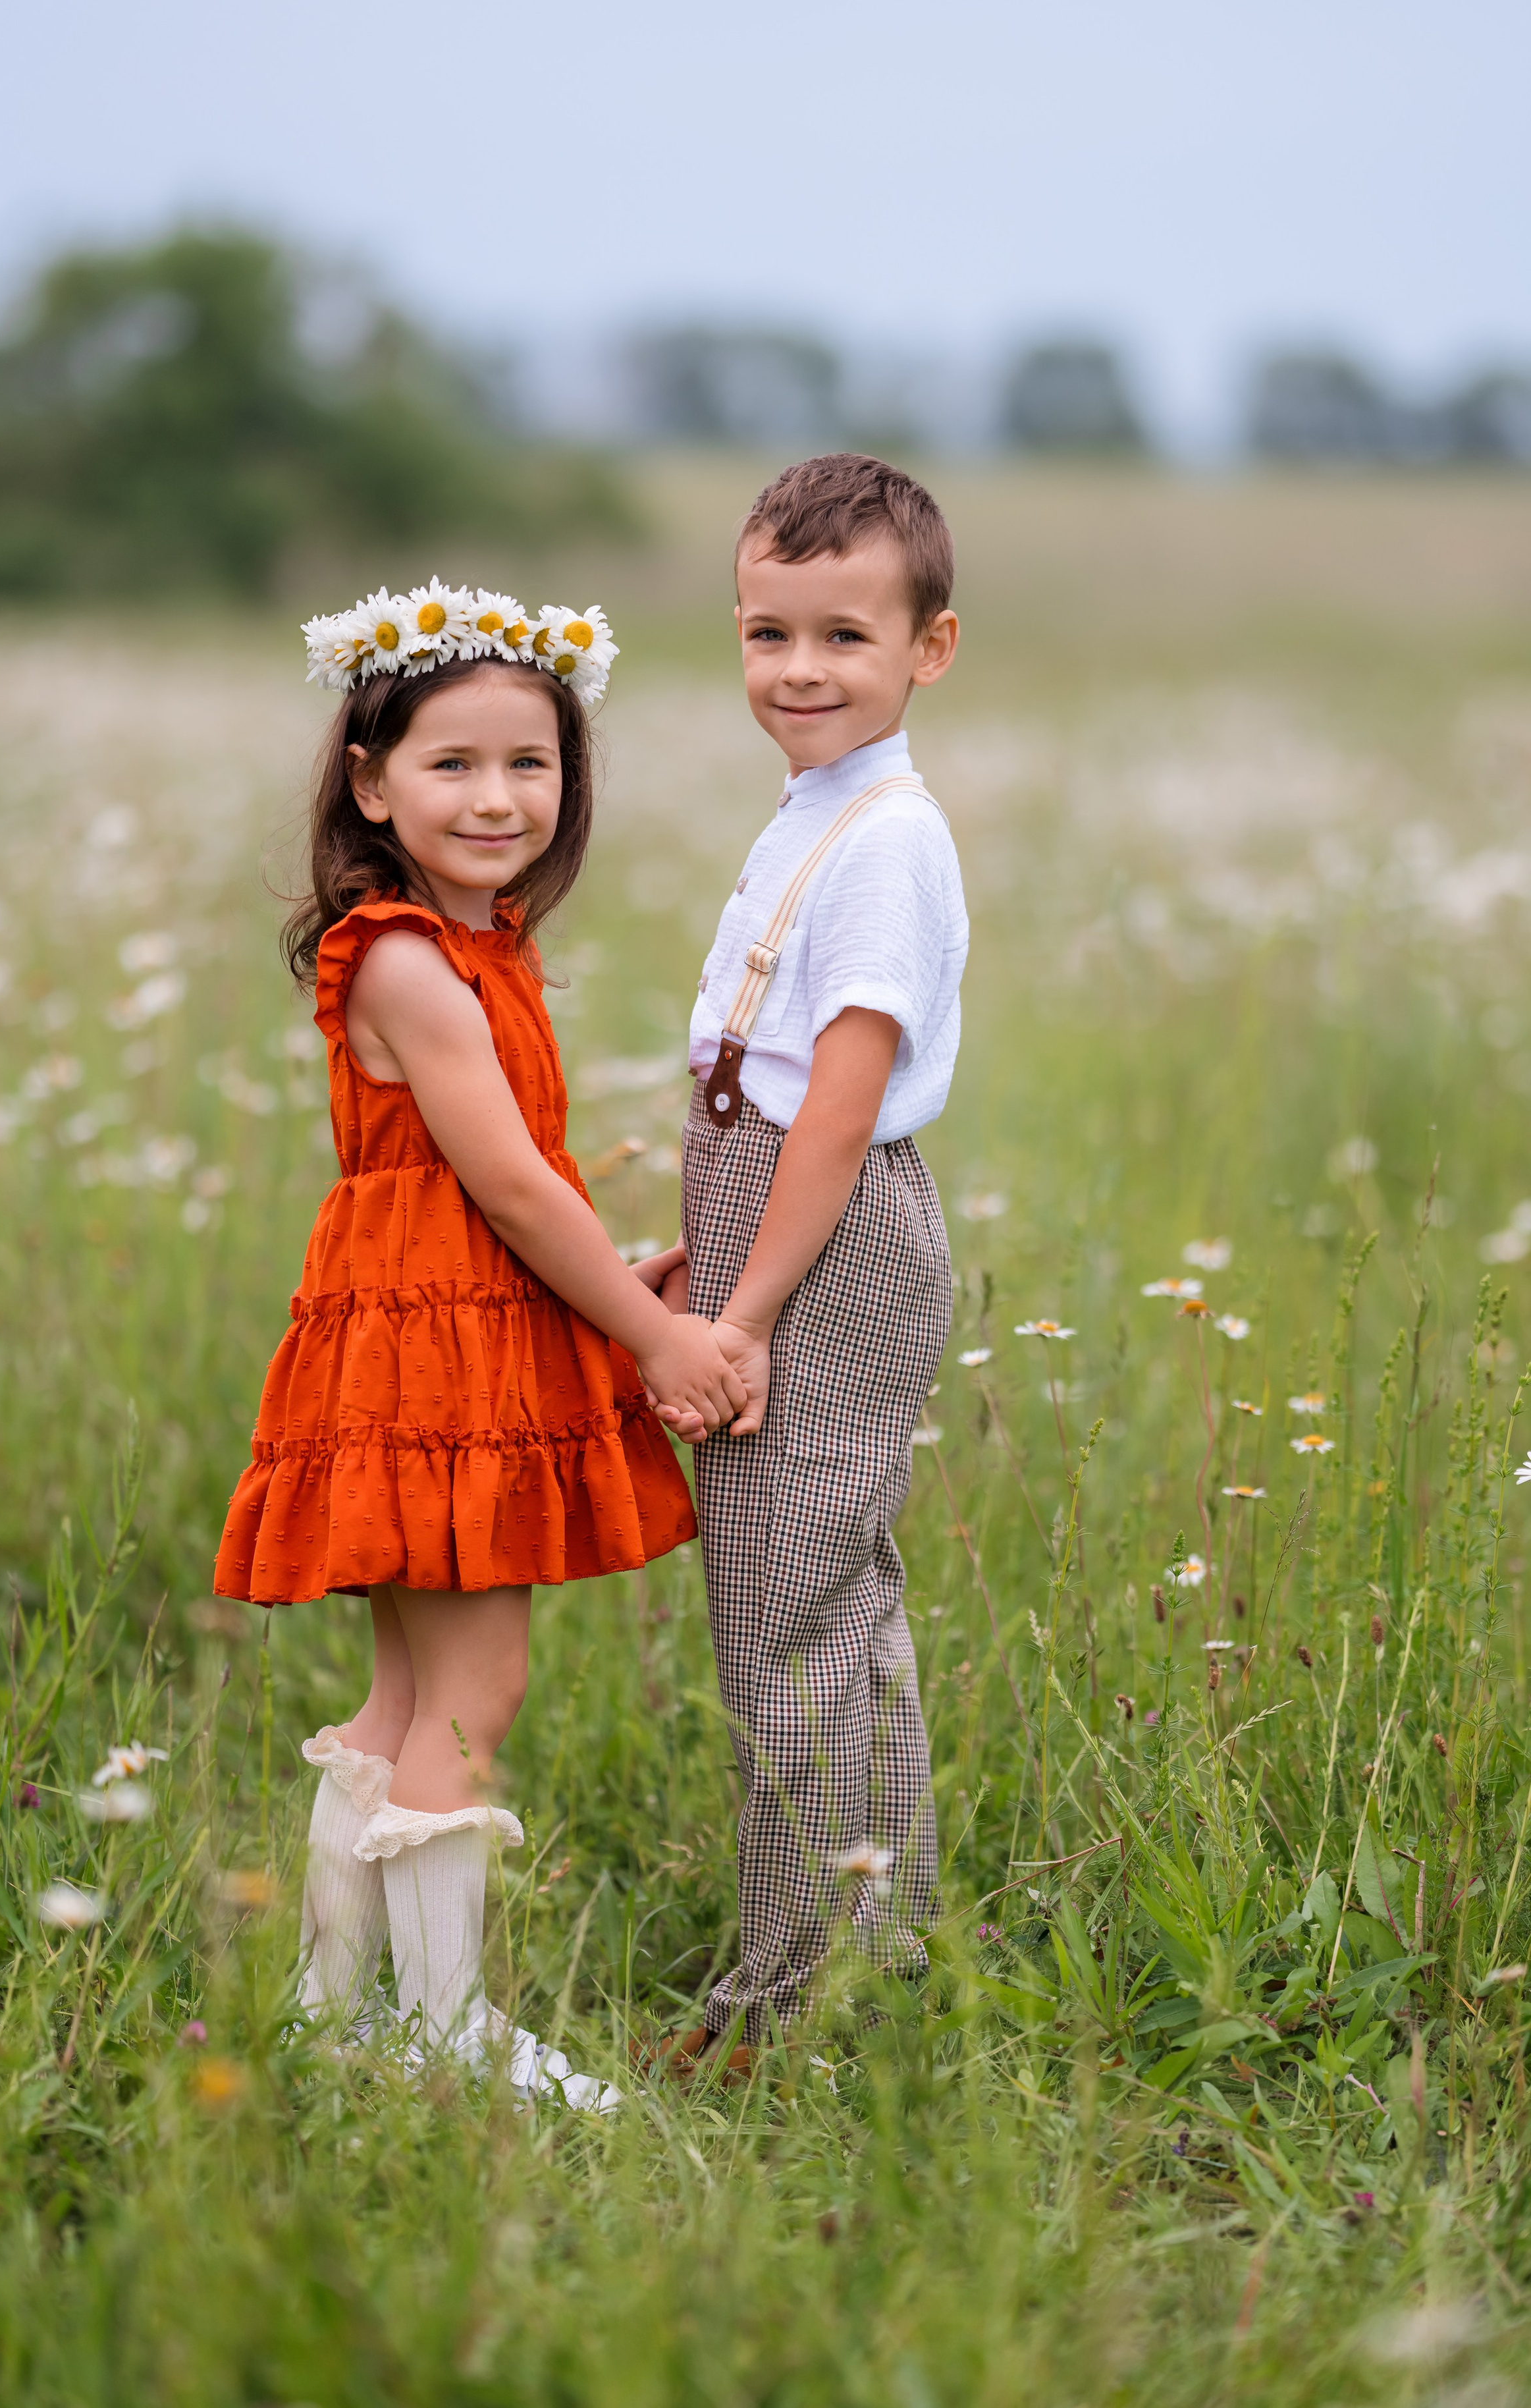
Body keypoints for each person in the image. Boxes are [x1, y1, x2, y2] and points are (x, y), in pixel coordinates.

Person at [215, 580, 745, 2105]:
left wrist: (600, 1283)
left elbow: (491, 1196)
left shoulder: (476, 944)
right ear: (370, 782)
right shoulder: (400, 955)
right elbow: (504, 1185)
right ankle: (446, 2034)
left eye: (531, 761)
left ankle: (329, 2017)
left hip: (450, 1330)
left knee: (403, 1702)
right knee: (472, 1690)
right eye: (451, 763)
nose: (497, 795)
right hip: (426, 1362)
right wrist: (648, 1335)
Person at [637, 456, 967, 2064]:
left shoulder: (887, 837)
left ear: (928, 649)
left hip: (820, 1246)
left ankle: (786, 2001)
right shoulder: (816, 809)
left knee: (787, 1622)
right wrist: (699, 1251)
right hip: (771, 1222)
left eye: (845, 635)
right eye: (769, 633)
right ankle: (875, 1959)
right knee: (827, 1606)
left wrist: (748, 1309)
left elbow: (834, 1108)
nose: (799, 669)